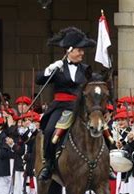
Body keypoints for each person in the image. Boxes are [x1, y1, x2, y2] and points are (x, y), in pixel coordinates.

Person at [35, 27, 95, 181]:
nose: (82, 53)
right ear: (69, 51)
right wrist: (49, 70)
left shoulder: (87, 69)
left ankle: (106, 164)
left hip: (80, 108)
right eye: (79, 50)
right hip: (61, 107)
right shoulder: (58, 68)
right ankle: (48, 164)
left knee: (101, 129)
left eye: (82, 50)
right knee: (49, 131)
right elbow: (39, 80)